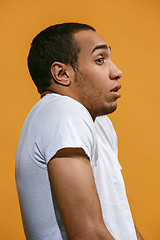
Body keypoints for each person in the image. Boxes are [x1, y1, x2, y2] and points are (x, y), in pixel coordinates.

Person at [16, 23, 143, 240]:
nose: (117, 72)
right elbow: (87, 234)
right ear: (62, 74)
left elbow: (123, 225)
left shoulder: (98, 124)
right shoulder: (62, 111)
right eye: (100, 60)